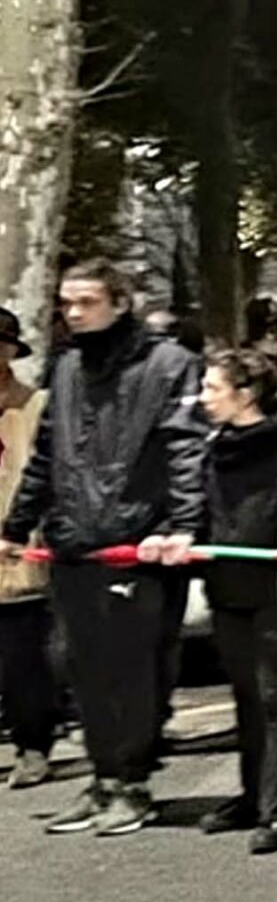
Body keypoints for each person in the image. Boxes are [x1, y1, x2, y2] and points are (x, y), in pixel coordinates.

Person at [1, 264, 205, 837]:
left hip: (138, 541)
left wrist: (183, 525)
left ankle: (132, 782)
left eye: (86, 302)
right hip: (73, 541)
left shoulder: (169, 364)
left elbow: (185, 449)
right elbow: (47, 454)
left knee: (135, 669)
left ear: (121, 302)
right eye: (66, 303)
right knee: (80, 667)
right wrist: (19, 525)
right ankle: (102, 777)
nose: (73, 313)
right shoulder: (66, 366)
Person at [197, 349, 277, 853]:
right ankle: (253, 793)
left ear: (245, 395)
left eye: (212, 388)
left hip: (275, 586)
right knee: (245, 695)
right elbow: (200, 507)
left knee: (273, 696)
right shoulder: (215, 446)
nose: (202, 399)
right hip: (227, 584)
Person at [0, 307, 59, 790]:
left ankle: (32, 746)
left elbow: (49, 476)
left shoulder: (37, 405)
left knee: (23, 661)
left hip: (21, 553)